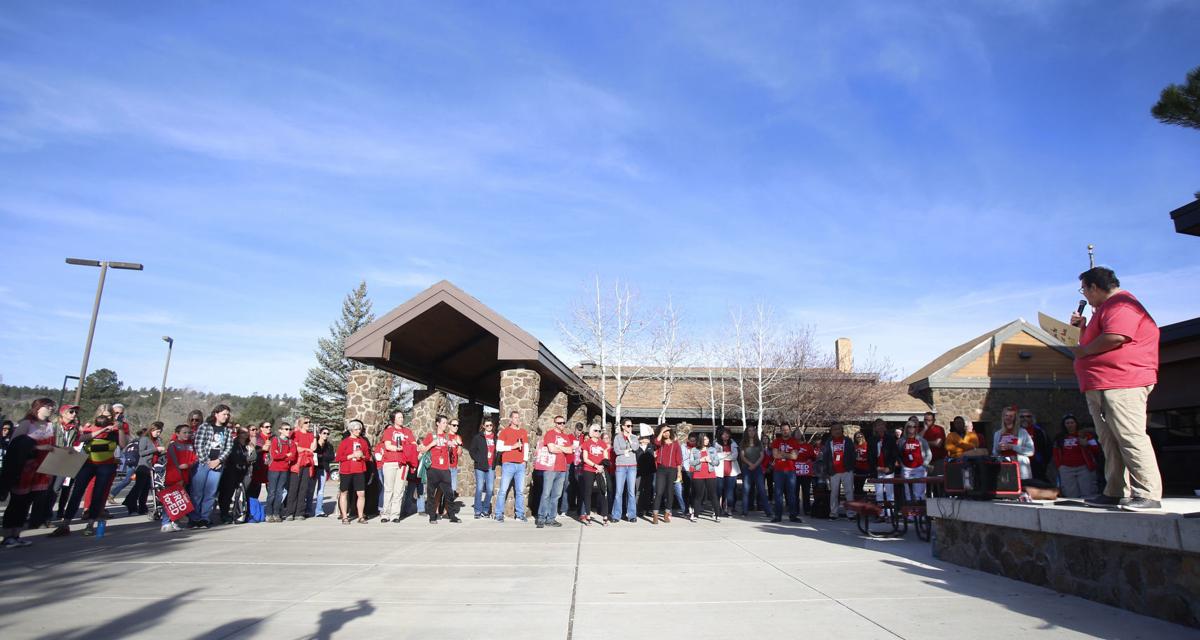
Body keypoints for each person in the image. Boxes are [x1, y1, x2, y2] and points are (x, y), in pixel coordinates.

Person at [1071, 266, 1162, 511]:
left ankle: (1147, 492)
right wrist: (1081, 330)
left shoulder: (1121, 304)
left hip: (1122, 382)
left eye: (1084, 289)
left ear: (1093, 287)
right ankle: (1115, 491)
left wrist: (1084, 351)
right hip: (1101, 384)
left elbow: (1116, 336)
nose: (1085, 295)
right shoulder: (1103, 310)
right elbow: (1092, 342)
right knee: (1109, 439)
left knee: (1129, 436)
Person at [54, 413, 125, 537]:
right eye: (98, 425)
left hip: (105, 465)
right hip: (88, 464)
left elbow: (123, 445)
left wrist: (120, 429)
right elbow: (80, 439)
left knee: (98, 494)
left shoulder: (113, 433)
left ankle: (90, 524)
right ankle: (65, 523)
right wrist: (99, 430)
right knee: (77, 493)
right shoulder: (90, 431)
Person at [1, 399, 57, 547]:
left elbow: (52, 446)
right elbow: (15, 445)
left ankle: (17, 534)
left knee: (27, 504)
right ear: (37, 408)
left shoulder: (50, 425)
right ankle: (7, 536)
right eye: (48, 406)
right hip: (24, 469)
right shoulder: (26, 423)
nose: (51, 409)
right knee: (16, 503)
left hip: (42, 470)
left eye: (52, 406)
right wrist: (38, 448)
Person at [189, 404, 235, 528]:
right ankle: (194, 518)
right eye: (224, 414)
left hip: (217, 465)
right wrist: (207, 460)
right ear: (216, 414)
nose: (226, 416)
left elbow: (229, 447)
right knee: (197, 492)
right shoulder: (205, 427)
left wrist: (219, 460)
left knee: (211, 492)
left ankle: (205, 517)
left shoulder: (227, 431)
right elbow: (198, 444)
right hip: (203, 463)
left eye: (227, 415)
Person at [419, 415, 460, 524]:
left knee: (449, 494)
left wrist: (452, 445)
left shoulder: (447, 437)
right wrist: (431, 444)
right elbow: (421, 449)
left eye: (446, 423)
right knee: (431, 493)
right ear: (437, 423)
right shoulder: (431, 435)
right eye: (443, 423)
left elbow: (454, 448)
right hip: (433, 469)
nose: (445, 425)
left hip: (445, 469)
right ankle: (432, 516)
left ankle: (452, 516)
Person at [534, 415, 572, 528]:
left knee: (556, 495)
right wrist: (562, 448)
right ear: (555, 423)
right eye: (559, 423)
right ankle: (541, 517)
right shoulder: (550, 434)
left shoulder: (566, 436)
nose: (562, 425)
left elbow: (570, 450)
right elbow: (551, 449)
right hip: (550, 468)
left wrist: (558, 447)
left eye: (563, 423)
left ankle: (551, 518)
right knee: (546, 493)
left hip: (562, 468)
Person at [379, 411, 416, 523]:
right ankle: (385, 514)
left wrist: (406, 448)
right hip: (390, 462)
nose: (401, 419)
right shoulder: (389, 431)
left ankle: (395, 515)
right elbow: (388, 445)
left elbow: (414, 445)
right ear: (393, 419)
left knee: (399, 490)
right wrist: (398, 448)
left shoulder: (407, 431)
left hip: (403, 465)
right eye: (399, 417)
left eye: (402, 417)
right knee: (389, 489)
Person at [1053, 415, 1101, 499]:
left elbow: (1096, 449)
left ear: (1076, 424)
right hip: (1066, 469)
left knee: (1088, 491)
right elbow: (1055, 453)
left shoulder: (1086, 435)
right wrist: (1059, 466)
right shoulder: (1059, 438)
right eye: (1067, 423)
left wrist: (1087, 445)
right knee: (1070, 493)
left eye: (1072, 422)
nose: (1070, 425)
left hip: (1084, 468)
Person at [494, 411, 529, 522]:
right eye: (515, 417)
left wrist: (525, 460)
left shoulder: (523, 432)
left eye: (518, 417)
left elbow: (526, 447)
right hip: (508, 464)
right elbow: (499, 447)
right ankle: (498, 514)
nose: (517, 419)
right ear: (510, 419)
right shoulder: (505, 432)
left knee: (519, 491)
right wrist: (512, 446)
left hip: (520, 465)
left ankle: (519, 514)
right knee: (503, 490)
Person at [124, 422, 165, 516]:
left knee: (145, 488)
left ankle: (143, 507)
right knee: (138, 487)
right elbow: (141, 452)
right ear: (151, 430)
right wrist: (156, 449)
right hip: (142, 466)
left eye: (160, 432)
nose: (158, 434)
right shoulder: (145, 439)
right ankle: (131, 505)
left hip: (150, 466)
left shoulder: (156, 440)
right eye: (156, 431)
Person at [160, 423, 196, 532]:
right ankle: (165, 522)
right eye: (184, 432)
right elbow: (175, 462)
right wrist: (179, 477)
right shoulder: (173, 445)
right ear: (177, 433)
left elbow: (194, 459)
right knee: (170, 500)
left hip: (186, 476)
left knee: (180, 502)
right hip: (174, 476)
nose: (187, 434)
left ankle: (175, 522)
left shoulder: (191, 445)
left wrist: (189, 465)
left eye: (189, 432)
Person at [336, 420, 370, 524]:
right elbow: (338, 457)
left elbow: (367, 457)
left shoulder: (363, 442)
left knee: (361, 493)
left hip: (359, 470)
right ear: (351, 430)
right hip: (346, 470)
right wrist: (351, 455)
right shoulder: (345, 441)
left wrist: (362, 456)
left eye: (359, 429)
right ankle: (345, 517)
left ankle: (360, 517)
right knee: (344, 492)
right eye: (356, 429)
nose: (358, 431)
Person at [284, 417, 316, 521]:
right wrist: (307, 449)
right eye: (306, 422)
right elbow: (296, 448)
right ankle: (290, 512)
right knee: (294, 488)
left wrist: (315, 437)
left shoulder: (311, 435)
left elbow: (314, 448)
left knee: (303, 488)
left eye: (309, 422)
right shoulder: (295, 434)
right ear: (301, 424)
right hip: (296, 464)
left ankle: (300, 512)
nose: (308, 424)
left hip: (307, 463)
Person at [218, 427, 252, 524]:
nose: (245, 434)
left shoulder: (248, 445)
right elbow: (232, 457)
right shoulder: (233, 444)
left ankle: (239, 512)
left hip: (243, 472)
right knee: (227, 494)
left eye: (246, 433)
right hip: (231, 471)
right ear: (238, 434)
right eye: (242, 432)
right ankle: (224, 514)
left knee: (241, 494)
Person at [821, 425, 856, 520]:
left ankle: (851, 514)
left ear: (842, 430)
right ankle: (833, 513)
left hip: (847, 470)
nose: (837, 431)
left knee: (849, 492)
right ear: (831, 431)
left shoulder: (848, 441)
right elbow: (825, 457)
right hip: (834, 471)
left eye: (838, 429)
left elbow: (853, 454)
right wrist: (826, 471)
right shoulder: (829, 442)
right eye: (834, 429)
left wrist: (851, 466)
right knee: (834, 493)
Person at [993, 406, 1035, 481]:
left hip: (1021, 469)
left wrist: (1013, 447)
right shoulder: (998, 434)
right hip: (1004, 469)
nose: (1008, 418)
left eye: (1011, 416)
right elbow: (994, 453)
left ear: (1015, 418)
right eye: (1006, 415)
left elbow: (1031, 451)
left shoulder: (1022, 432)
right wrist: (998, 448)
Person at [650, 425, 682, 524]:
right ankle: (655, 515)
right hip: (661, 470)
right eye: (664, 431)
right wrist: (661, 431)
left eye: (668, 431)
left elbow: (679, 459)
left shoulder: (676, 444)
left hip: (672, 470)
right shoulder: (660, 443)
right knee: (659, 492)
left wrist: (679, 473)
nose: (666, 433)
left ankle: (667, 514)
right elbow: (656, 441)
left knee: (669, 493)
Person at [579, 424, 609, 525]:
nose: (598, 432)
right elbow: (585, 458)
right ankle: (587, 515)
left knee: (602, 491)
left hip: (600, 470)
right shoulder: (587, 443)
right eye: (596, 430)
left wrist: (601, 467)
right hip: (589, 469)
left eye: (599, 431)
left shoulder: (602, 443)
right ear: (591, 432)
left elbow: (606, 458)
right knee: (588, 492)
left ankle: (605, 516)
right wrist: (596, 466)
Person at [897, 420, 932, 506]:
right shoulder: (902, 441)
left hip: (920, 468)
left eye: (914, 427)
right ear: (906, 428)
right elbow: (898, 454)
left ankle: (921, 515)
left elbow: (928, 453)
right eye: (909, 426)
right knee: (907, 492)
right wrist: (902, 464)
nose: (912, 428)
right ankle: (910, 515)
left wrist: (925, 464)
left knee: (919, 492)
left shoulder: (921, 440)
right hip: (906, 469)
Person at [266, 422, 296, 522]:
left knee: (280, 492)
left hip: (284, 469)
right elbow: (275, 456)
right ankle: (269, 513)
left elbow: (293, 455)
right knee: (272, 492)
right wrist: (286, 455)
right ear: (280, 430)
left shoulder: (291, 442)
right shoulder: (275, 440)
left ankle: (276, 513)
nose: (288, 431)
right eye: (286, 429)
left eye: (289, 429)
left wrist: (284, 455)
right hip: (274, 469)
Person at [468, 418, 498, 519]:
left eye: (491, 425)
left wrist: (496, 461)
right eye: (487, 425)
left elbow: (497, 451)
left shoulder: (495, 438)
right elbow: (472, 451)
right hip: (480, 467)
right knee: (480, 489)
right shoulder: (478, 437)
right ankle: (477, 510)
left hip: (490, 467)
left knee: (489, 490)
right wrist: (478, 460)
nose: (489, 427)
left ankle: (485, 510)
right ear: (483, 426)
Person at [611, 419, 639, 524]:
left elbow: (636, 448)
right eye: (628, 426)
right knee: (619, 491)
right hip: (621, 466)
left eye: (631, 425)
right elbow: (617, 451)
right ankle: (616, 515)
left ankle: (632, 515)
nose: (630, 427)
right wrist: (626, 451)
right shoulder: (617, 437)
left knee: (631, 492)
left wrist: (630, 439)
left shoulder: (634, 437)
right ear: (623, 426)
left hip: (632, 466)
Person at [770, 426, 801, 523]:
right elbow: (775, 455)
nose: (785, 432)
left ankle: (793, 516)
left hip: (790, 471)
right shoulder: (776, 441)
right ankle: (777, 516)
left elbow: (795, 457)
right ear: (781, 431)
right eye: (783, 430)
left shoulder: (794, 441)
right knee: (778, 494)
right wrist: (789, 455)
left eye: (787, 430)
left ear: (790, 431)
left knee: (791, 494)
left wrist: (782, 454)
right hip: (778, 471)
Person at [869, 420, 899, 517]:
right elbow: (870, 456)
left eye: (882, 425)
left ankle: (890, 514)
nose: (880, 427)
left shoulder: (890, 439)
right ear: (875, 428)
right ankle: (881, 514)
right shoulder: (872, 440)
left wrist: (889, 467)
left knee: (890, 492)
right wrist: (876, 467)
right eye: (878, 425)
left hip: (888, 469)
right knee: (879, 493)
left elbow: (894, 454)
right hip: (877, 469)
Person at [688, 432, 720, 522]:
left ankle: (717, 515)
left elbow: (717, 462)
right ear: (700, 440)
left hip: (710, 474)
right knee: (698, 495)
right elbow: (691, 462)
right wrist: (700, 460)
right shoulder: (694, 450)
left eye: (707, 439)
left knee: (713, 495)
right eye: (705, 439)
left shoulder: (712, 449)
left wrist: (710, 460)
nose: (707, 441)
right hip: (698, 474)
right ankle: (696, 515)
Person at [739, 429, 771, 518]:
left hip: (758, 468)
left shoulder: (759, 443)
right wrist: (750, 464)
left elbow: (762, 456)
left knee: (762, 490)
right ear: (746, 432)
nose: (751, 432)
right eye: (749, 431)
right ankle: (744, 511)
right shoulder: (743, 443)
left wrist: (755, 465)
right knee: (746, 490)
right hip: (747, 468)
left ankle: (768, 512)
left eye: (753, 431)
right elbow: (742, 456)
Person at [1018, 409, 1051, 482]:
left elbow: (1047, 448)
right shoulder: (1014, 431)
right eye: (1022, 417)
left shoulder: (1039, 431)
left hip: (1036, 464)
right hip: (1019, 463)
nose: (1025, 419)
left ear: (1032, 418)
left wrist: (1043, 463)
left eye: (1028, 416)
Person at [309, 427, 335, 517]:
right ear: (319, 434)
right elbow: (312, 453)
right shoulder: (314, 443)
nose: (326, 435)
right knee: (310, 490)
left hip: (323, 469)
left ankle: (319, 510)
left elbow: (331, 457)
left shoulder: (329, 446)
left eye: (328, 434)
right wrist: (323, 456)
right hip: (314, 468)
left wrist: (321, 456)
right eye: (324, 433)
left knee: (321, 491)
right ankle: (308, 510)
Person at [716, 429, 740, 517]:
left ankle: (729, 509)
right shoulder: (716, 444)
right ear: (720, 435)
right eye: (724, 434)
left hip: (731, 471)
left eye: (727, 434)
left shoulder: (733, 443)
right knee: (719, 491)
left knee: (730, 492)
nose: (726, 436)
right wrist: (728, 454)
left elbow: (735, 456)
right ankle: (718, 509)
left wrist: (723, 455)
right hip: (719, 471)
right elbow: (717, 456)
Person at [921, 412, 948, 485]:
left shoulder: (939, 429)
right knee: (926, 482)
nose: (927, 422)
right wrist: (924, 430)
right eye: (925, 420)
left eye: (930, 420)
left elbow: (938, 443)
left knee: (939, 481)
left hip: (938, 460)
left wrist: (924, 443)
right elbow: (917, 441)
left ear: (934, 420)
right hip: (925, 461)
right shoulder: (921, 430)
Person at [635, 433, 656, 517]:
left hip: (649, 472)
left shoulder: (650, 446)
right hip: (639, 472)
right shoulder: (636, 447)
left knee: (648, 491)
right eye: (646, 437)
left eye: (648, 437)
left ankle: (647, 510)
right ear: (641, 439)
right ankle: (638, 510)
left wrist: (652, 433)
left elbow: (656, 441)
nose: (648, 439)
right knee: (638, 491)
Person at [853, 431, 871, 498]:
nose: (859, 438)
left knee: (861, 484)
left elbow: (869, 455)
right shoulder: (854, 445)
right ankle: (857, 499)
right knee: (856, 484)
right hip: (856, 467)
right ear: (855, 438)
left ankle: (861, 498)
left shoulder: (866, 445)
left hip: (864, 467)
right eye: (857, 437)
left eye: (861, 436)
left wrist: (865, 459)